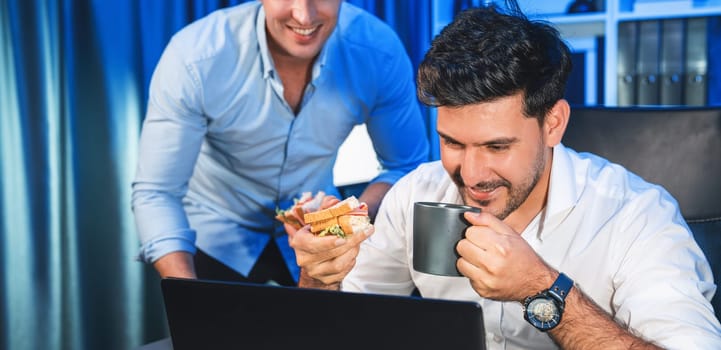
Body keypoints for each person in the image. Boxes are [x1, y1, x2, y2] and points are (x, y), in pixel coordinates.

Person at [289, 4, 721, 349]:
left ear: (553, 124)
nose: (471, 176)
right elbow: (345, 329)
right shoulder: (416, 194)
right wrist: (319, 279)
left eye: (497, 147)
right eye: (453, 143)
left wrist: (542, 289)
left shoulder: (636, 216)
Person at [131, 0, 429, 286]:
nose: (304, 15)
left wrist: (345, 220)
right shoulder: (195, 56)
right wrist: (186, 296)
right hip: (215, 237)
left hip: (320, 228)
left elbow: (405, 166)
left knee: (332, 337)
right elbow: (157, 192)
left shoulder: (378, 52)